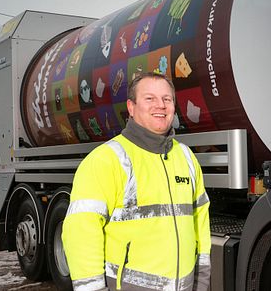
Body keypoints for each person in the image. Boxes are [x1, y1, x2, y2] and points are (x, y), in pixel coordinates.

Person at [63, 72, 211, 291]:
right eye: (149, 98)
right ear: (131, 108)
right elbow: (81, 231)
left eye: (167, 99)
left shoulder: (186, 157)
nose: (160, 105)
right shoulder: (106, 159)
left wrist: (202, 280)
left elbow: (200, 223)